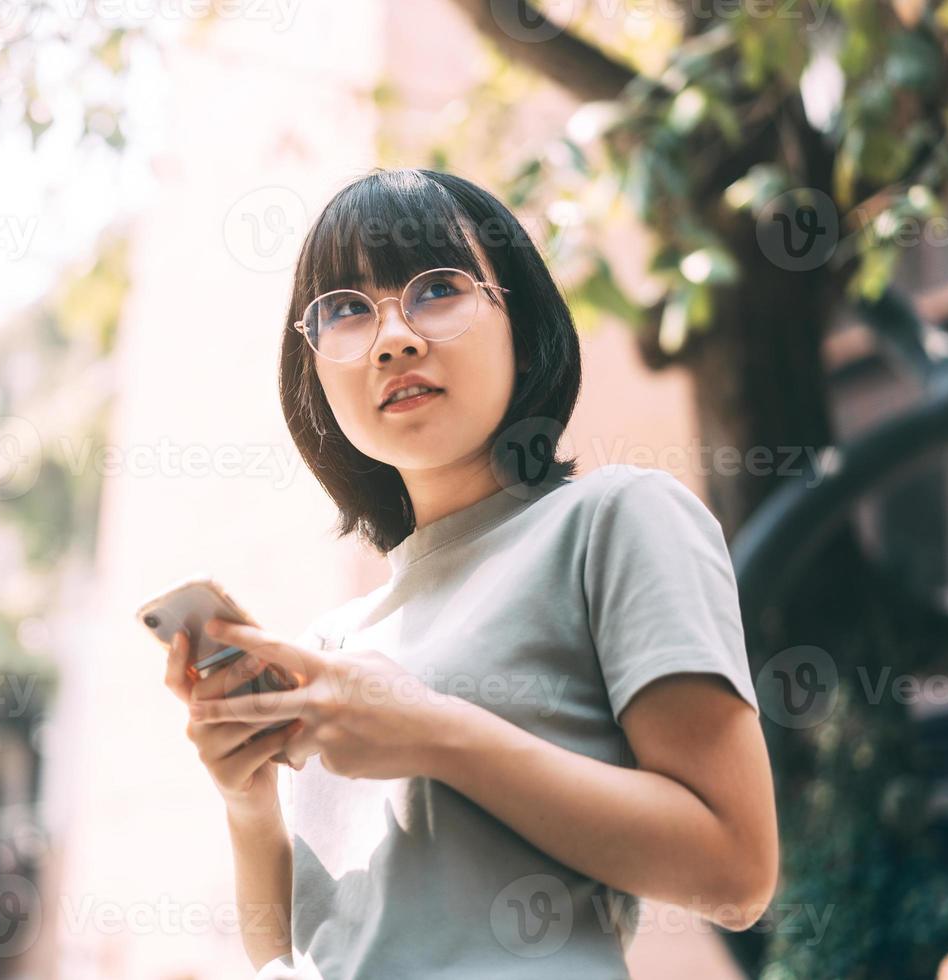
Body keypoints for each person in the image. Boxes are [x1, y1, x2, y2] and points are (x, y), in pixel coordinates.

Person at [160, 167, 777, 978]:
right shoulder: (334, 643)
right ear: (312, 367)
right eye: (345, 310)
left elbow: (735, 871)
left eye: (439, 289)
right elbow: (288, 951)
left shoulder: (615, 520)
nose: (393, 338)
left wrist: (429, 731)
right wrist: (246, 799)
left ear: (520, 316)